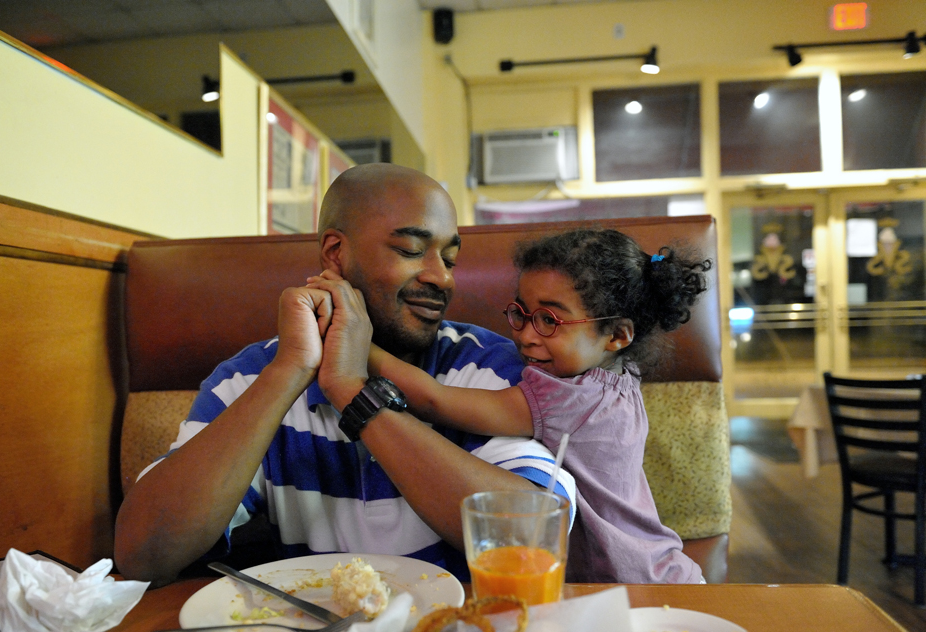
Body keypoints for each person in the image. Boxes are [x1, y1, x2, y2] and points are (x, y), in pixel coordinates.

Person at [113, 163, 576, 585]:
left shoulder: (483, 364)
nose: (443, 278)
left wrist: (353, 391)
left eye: (449, 259)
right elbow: (144, 555)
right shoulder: (250, 378)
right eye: (413, 250)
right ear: (335, 254)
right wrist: (291, 371)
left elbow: (531, 537)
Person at [350, 228, 710, 584]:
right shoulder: (616, 376)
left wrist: (356, 345)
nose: (525, 335)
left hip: (628, 580)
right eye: (522, 313)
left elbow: (434, 399)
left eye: (550, 320)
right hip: (657, 568)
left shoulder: (569, 397)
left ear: (617, 335)